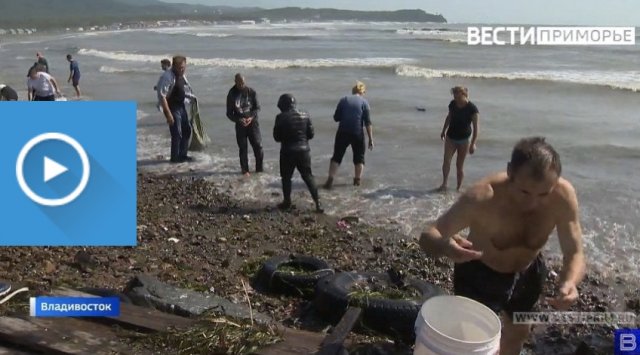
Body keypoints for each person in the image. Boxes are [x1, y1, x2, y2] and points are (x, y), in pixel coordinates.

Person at [419, 137, 585, 355]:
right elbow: (428, 235)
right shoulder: (482, 197)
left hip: (528, 273)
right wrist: (446, 246)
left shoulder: (563, 197)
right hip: (479, 273)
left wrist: (570, 282)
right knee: (472, 340)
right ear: (509, 172)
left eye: (544, 193)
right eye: (524, 192)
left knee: (518, 333)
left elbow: (574, 252)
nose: (532, 202)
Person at [273, 93, 323, 213]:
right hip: (304, 151)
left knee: (286, 178)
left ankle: (287, 202)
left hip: (287, 152)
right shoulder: (305, 115)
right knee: (308, 177)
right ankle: (318, 203)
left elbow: (276, 137)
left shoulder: (280, 117)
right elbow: (311, 134)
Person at [323, 81, 373, 188]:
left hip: (343, 132)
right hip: (357, 133)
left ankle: (330, 179)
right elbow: (368, 122)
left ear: (353, 91)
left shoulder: (343, 100)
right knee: (359, 157)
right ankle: (357, 180)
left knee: (337, 156)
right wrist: (370, 139)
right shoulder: (365, 103)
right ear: (362, 92)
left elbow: (336, 118)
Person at [439, 86, 479, 191]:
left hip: (464, 140)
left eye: (457, 96)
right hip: (450, 137)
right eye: (454, 95)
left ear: (463, 94)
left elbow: (476, 128)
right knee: (446, 161)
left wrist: (473, 143)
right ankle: (444, 184)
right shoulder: (452, 104)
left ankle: (458, 188)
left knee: (459, 165)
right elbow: (449, 117)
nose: (455, 98)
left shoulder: (472, 109)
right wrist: (443, 130)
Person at [157, 55, 195, 163]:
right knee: (177, 133)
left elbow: (184, 89)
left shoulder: (181, 75)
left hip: (181, 106)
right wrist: (168, 114)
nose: (182, 69)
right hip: (172, 107)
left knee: (187, 130)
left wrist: (192, 99)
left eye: (183, 67)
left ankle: (182, 155)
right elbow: (162, 96)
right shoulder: (167, 76)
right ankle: (174, 158)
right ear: (173, 66)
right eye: (179, 68)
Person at [226, 73, 263, 176]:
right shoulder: (231, 94)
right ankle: (245, 170)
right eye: (239, 83)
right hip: (240, 124)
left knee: (258, 146)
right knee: (243, 148)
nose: (241, 85)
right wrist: (238, 120)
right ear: (235, 82)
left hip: (253, 123)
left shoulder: (251, 92)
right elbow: (229, 113)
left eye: (243, 82)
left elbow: (257, 108)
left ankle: (259, 170)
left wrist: (251, 117)